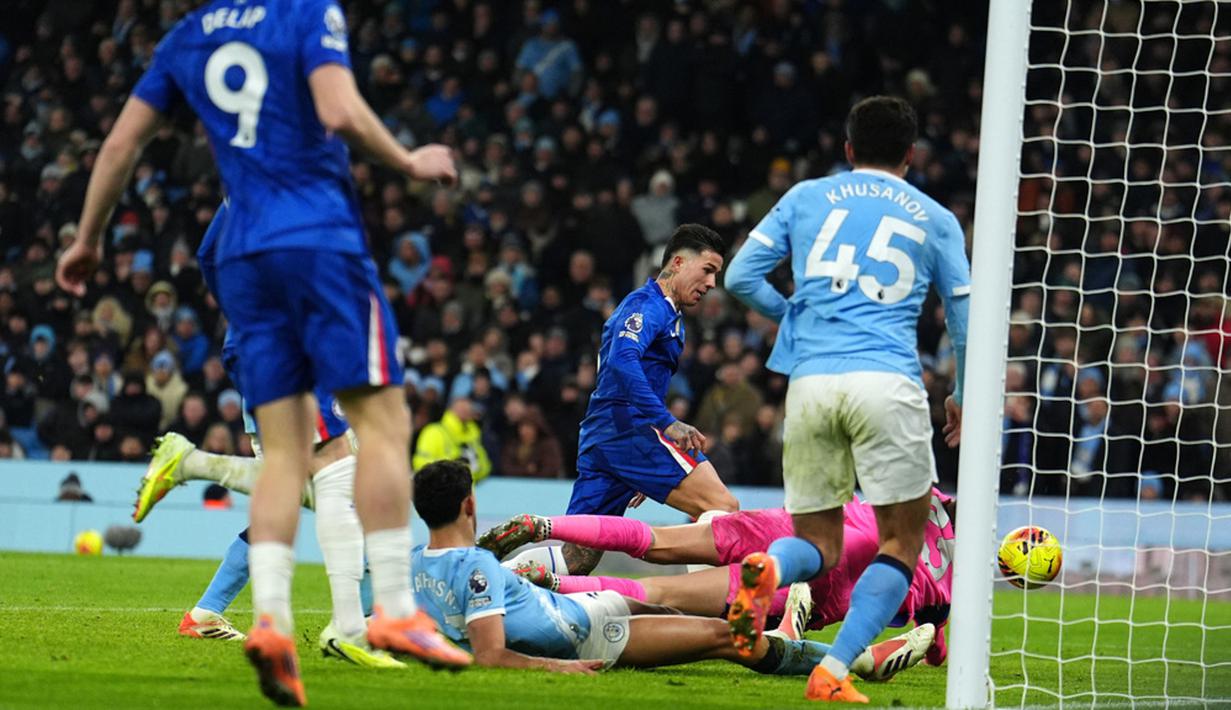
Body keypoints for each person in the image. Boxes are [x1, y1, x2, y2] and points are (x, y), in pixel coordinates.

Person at [54, 1, 470, 702]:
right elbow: (337, 110)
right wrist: (405, 159)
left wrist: (88, 239)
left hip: (245, 261)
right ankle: (390, 612)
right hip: (318, 241)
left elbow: (121, 145)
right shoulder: (307, 14)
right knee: (381, 427)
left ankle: (272, 620)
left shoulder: (186, 36)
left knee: (286, 459)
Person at [722, 96, 970, 703]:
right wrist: (962, 392)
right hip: (886, 380)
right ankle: (832, 670)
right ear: (911, 156)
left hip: (810, 384)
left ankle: (772, 570)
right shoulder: (935, 217)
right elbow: (964, 318)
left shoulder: (806, 197)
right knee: (901, 543)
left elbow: (738, 276)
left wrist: (795, 322)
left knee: (820, 545)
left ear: (849, 149)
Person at [410, 459, 877, 679]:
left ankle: (843, 658)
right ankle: (848, 660)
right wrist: (556, 667)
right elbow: (491, 653)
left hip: (584, 612)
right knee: (724, 635)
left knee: (673, 604)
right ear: (471, 504)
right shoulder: (479, 567)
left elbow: (390, 626)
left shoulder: (410, 568)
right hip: (587, 628)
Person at [478, 488, 955, 680]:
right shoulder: (948, 588)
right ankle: (556, 581)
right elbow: (937, 651)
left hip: (795, 524)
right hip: (835, 575)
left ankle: (544, 525)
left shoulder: (924, 489)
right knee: (663, 599)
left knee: (656, 539)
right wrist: (934, 638)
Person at [513, 225, 738, 578]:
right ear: (677, 262)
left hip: (606, 437)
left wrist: (637, 471)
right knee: (723, 507)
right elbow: (622, 360)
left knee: (578, 556)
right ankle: (711, 609)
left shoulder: (668, 314)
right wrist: (665, 422)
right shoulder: (648, 305)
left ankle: (486, 583)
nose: (712, 284)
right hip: (629, 431)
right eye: (708, 270)